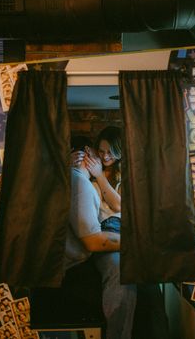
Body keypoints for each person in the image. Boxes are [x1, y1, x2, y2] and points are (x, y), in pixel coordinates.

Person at [66, 135, 137, 339]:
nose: (105, 156)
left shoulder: (118, 174)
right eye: (102, 151)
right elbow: (92, 237)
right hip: (103, 230)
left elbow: (119, 206)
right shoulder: (80, 179)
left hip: (116, 226)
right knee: (119, 269)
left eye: (110, 152)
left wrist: (99, 175)